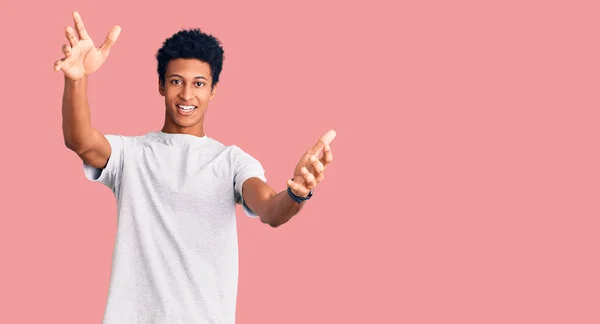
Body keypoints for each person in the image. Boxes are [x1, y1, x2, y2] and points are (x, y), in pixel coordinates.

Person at [54, 11, 336, 324]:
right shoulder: (131, 154)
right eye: (176, 81)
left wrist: (297, 193)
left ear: (213, 90)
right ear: (161, 85)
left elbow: (270, 208)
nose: (187, 95)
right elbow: (80, 140)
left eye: (199, 83)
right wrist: (76, 80)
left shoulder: (231, 161)